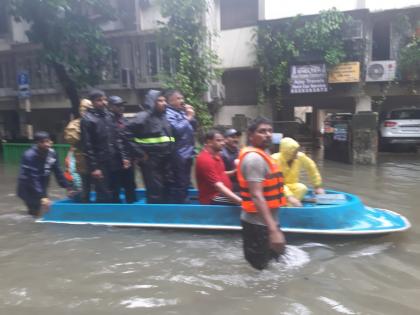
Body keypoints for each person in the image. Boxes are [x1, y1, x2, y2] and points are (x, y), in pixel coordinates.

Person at [236, 117, 287, 270]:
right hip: (258, 226)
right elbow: (257, 196)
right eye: (262, 131)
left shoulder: (264, 154)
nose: (268, 135)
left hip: (267, 223)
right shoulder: (254, 159)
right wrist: (273, 230)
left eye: (270, 131)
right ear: (251, 136)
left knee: (272, 268)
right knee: (260, 272)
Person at [125, 90, 173, 204]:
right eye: (160, 101)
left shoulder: (163, 117)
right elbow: (126, 133)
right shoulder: (143, 117)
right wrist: (140, 153)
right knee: (155, 192)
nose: (164, 103)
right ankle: (156, 218)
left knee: (166, 189)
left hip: (165, 160)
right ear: (152, 102)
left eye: (165, 100)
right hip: (151, 161)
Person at [81, 89, 127, 203]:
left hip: (114, 161)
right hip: (100, 163)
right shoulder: (87, 119)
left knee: (116, 191)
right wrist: (94, 168)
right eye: (99, 100)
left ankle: (117, 218)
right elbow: (88, 145)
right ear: (92, 102)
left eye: (105, 99)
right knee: (103, 194)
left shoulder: (110, 116)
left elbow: (117, 139)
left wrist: (124, 157)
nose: (104, 102)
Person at [17, 131, 71, 217]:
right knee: (35, 211)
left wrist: (67, 186)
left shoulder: (52, 153)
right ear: (37, 143)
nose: (46, 144)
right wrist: (42, 197)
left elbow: (58, 172)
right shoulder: (29, 155)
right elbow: (33, 177)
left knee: (44, 208)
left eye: (48, 141)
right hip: (28, 187)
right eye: (43, 142)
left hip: (41, 184)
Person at [271, 137, 325, 207]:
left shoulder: (300, 156)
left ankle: (289, 205)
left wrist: (317, 186)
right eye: (294, 152)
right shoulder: (274, 160)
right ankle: (289, 205)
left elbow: (311, 167)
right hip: (276, 188)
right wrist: (290, 197)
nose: (297, 155)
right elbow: (276, 182)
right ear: (288, 153)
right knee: (288, 195)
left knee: (302, 188)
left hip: (291, 186)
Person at [165, 89, 197, 203]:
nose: (182, 101)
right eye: (178, 98)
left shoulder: (181, 112)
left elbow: (194, 127)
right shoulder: (168, 114)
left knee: (186, 181)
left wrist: (191, 116)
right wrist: (188, 117)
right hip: (178, 153)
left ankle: (184, 199)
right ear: (170, 101)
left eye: (182, 98)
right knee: (180, 181)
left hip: (188, 152)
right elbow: (176, 130)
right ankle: (180, 203)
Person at [195, 130, 242, 205]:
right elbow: (218, 187)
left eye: (223, 140)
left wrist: (234, 172)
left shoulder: (217, 156)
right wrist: (241, 202)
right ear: (209, 142)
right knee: (248, 200)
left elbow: (221, 174)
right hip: (213, 198)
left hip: (221, 194)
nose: (223, 143)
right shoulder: (205, 159)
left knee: (248, 195)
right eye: (219, 140)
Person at [108, 96, 137, 203]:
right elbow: (116, 140)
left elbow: (129, 139)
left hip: (128, 160)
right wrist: (124, 157)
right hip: (115, 161)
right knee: (115, 188)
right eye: (118, 105)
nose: (121, 107)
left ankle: (132, 209)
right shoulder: (108, 122)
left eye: (122, 105)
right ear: (110, 107)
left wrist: (133, 155)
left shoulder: (124, 120)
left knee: (130, 186)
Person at [64, 98, 93, 202]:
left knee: (100, 188)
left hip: (97, 162)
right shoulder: (74, 124)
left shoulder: (96, 121)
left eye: (90, 109)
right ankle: (84, 210)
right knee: (84, 188)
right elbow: (72, 139)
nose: (87, 111)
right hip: (82, 162)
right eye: (85, 108)